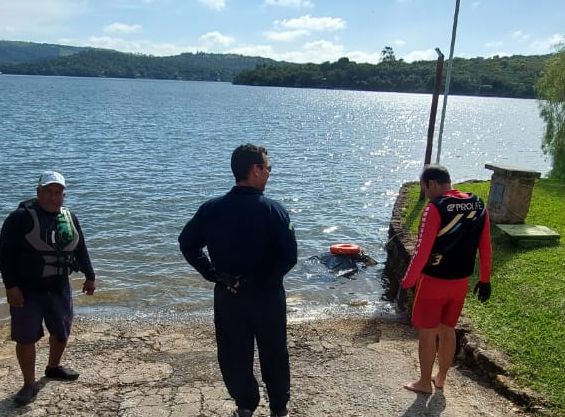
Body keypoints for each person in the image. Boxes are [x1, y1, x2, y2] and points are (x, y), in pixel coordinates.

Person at [178, 144, 297, 417]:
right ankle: (278, 409)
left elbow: (187, 244)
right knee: (274, 353)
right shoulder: (273, 211)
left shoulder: (212, 209)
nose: (269, 173)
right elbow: (289, 257)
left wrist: (213, 274)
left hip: (229, 294)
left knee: (234, 355)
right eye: (268, 168)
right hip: (266, 297)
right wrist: (262, 280)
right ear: (254, 170)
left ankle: (245, 406)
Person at [0, 171, 96, 405]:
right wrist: (11, 286)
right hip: (27, 288)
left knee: (62, 332)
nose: (53, 197)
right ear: (38, 192)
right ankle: (28, 384)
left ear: (64, 194)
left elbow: (80, 248)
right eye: (48, 192)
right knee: (26, 337)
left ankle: (53, 367)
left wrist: (90, 275)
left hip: (59, 286)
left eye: (58, 192)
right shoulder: (20, 218)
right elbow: (4, 255)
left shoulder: (69, 216)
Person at [401, 164, 492, 394]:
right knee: (448, 329)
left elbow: (421, 251)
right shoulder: (478, 204)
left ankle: (423, 383)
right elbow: (486, 246)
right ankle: (440, 378)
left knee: (428, 332)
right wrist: (485, 279)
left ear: (431, 184)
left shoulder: (435, 208)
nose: (426, 194)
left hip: (433, 282)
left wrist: (407, 283)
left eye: (425, 188)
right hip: (460, 282)